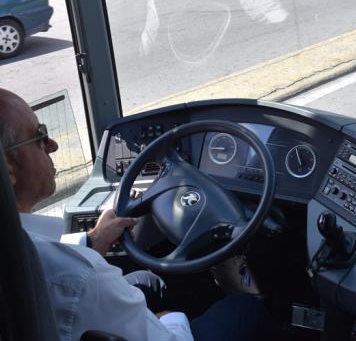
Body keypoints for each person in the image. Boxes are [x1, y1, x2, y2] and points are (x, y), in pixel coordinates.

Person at [0, 88, 268, 341]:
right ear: (8, 169)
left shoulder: (27, 249)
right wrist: (170, 318)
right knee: (246, 307)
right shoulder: (80, 276)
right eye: (40, 136)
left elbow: (41, 253)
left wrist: (91, 240)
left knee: (149, 281)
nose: (53, 145)